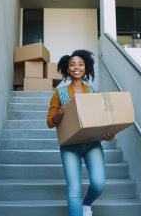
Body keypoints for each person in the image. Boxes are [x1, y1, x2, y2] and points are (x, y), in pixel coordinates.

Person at [46, 50, 115, 216]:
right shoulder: (60, 93)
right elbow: (50, 122)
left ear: (86, 68)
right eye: (72, 65)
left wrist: (108, 134)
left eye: (80, 64)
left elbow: (101, 120)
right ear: (67, 69)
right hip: (70, 146)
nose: (76, 67)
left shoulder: (93, 93)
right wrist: (61, 111)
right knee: (73, 190)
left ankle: (86, 204)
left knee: (98, 183)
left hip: (92, 144)